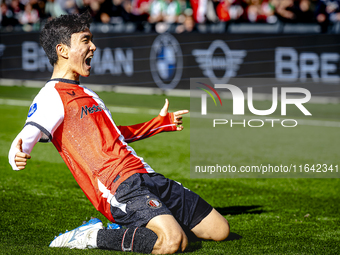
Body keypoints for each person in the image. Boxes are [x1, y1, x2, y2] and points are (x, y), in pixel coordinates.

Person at [8, 11, 229, 254]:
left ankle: (150, 223)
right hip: (117, 185)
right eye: (85, 40)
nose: (93, 46)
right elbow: (25, 136)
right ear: (63, 50)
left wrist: (158, 124)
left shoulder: (89, 95)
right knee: (173, 242)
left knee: (220, 230)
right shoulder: (51, 96)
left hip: (145, 173)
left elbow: (113, 134)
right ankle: (94, 236)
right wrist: (16, 154)